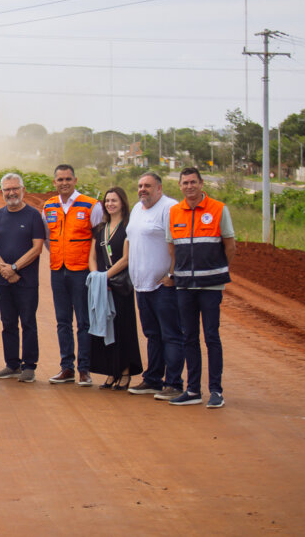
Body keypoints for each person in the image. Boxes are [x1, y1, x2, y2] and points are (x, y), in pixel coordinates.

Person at [167, 167, 236, 408]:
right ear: (180, 186)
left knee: (211, 336)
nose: (189, 186)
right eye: (185, 183)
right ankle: (193, 390)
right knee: (189, 337)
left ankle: (216, 390)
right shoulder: (174, 212)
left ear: (201, 183)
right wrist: (174, 274)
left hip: (211, 285)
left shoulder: (218, 209)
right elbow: (172, 247)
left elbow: (230, 246)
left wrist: (218, 269)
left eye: (193, 182)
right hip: (185, 285)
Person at [42, 164, 103, 387]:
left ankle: (84, 370)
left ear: (75, 180)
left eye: (68, 179)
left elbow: (99, 238)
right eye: (60, 179)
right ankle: (66, 367)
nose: (64, 183)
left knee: (84, 321)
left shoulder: (91, 205)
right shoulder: (48, 206)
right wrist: (59, 254)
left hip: (81, 271)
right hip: (58, 270)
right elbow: (47, 237)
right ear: (54, 182)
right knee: (63, 321)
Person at [125, 172, 184, 401]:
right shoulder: (137, 209)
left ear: (159, 188)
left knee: (171, 335)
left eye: (148, 186)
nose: (143, 189)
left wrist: (172, 275)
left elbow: (178, 244)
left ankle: (174, 383)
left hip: (163, 287)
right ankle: (152, 379)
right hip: (142, 285)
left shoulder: (170, 208)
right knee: (152, 334)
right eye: (140, 185)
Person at [0, 173, 44, 382]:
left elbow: (37, 248)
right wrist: (4, 269)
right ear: (2, 192)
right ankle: (12, 364)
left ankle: (29, 366)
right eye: (7, 189)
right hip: (3, 279)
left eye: (15, 188)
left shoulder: (33, 215)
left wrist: (14, 268)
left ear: (23, 190)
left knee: (28, 322)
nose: (11, 193)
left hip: (26, 281)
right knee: (8, 322)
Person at [87, 187, 143, 390]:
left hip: (120, 286)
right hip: (101, 286)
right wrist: (96, 277)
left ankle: (125, 372)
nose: (110, 204)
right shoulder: (100, 228)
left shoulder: (128, 227)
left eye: (114, 200)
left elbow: (126, 258)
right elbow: (92, 257)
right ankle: (112, 371)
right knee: (105, 327)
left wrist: (105, 277)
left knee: (122, 327)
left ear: (122, 203)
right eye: (107, 200)